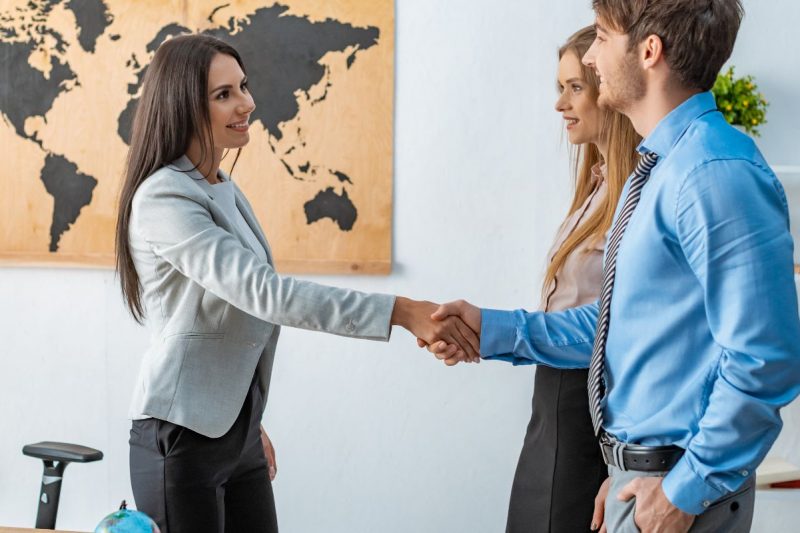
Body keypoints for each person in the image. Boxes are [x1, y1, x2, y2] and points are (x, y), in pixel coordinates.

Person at [427, 1, 800, 531]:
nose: (594, 57)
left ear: (650, 52)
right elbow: (616, 325)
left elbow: (767, 360)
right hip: (639, 480)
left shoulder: (714, 173)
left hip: (678, 495)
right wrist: (491, 329)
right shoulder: (661, 169)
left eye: (602, 36)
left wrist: (683, 487)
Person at [114, 34, 479, 533]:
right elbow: (267, 294)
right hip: (179, 439)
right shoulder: (165, 197)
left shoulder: (221, 185)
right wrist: (402, 310)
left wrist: (246, 422)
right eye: (224, 94)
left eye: (242, 86)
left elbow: (234, 317)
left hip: (232, 432)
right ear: (183, 104)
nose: (247, 103)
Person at [505, 26, 640, 533]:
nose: (560, 103)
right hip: (552, 402)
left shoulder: (638, 196)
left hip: (586, 407)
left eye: (575, 87)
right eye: (559, 87)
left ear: (608, 88)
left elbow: (614, 324)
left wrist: (496, 331)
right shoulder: (597, 183)